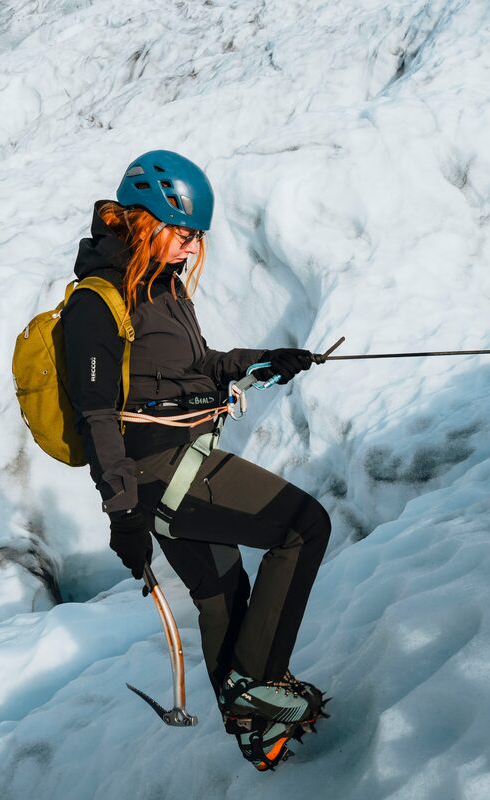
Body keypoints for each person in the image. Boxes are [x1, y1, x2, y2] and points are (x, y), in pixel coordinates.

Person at [60, 149, 331, 770]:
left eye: (196, 239)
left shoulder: (161, 286)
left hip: (179, 463)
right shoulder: (94, 304)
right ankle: (259, 695)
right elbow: (97, 415)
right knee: (304, 526)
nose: (190, 249)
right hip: (160, 475)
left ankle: (255, 734)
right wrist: (122, 511)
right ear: (148, 219)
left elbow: (196, 367)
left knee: (219, 594)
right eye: (184, 235)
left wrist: (263, 360)